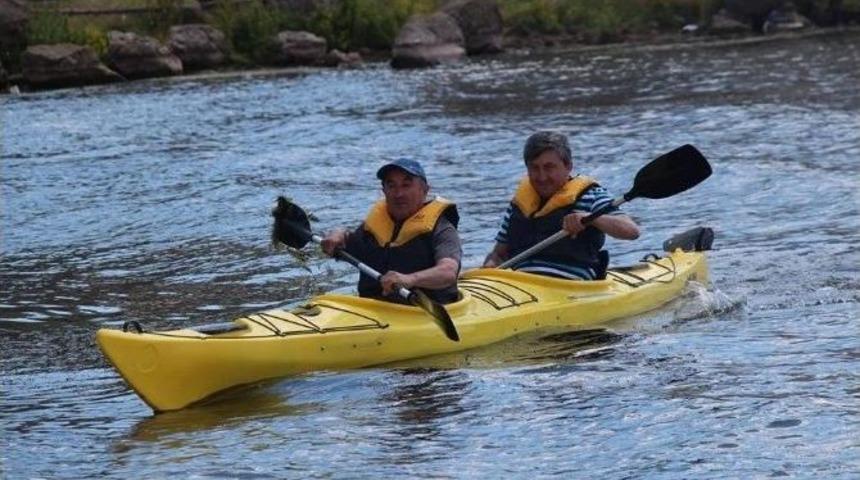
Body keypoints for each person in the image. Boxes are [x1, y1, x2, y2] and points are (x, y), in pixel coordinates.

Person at [483, 131, 640, 280]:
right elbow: (499, 254)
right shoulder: (519, 203)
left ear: (568, 166)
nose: (542, 177)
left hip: (569, 288)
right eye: (534, 168)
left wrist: (591, 219)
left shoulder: (592, 196)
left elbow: (631, 231)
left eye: (549, 167)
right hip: (519, 285)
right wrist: (490, 264)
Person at [321, 159, 462, 304]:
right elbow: (343, 246)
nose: (398, 193)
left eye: (406, 185)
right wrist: (338, 235)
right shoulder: (374, 227)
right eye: (391, 185)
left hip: (423, 311)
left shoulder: (442, 229)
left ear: (425, 190)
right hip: (372, 310)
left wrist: (410, 279)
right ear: (384, 191)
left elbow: (448, 272)